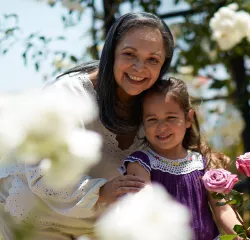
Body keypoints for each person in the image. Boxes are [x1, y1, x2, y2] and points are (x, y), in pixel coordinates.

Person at [0, 12, 174, 239]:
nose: (140, 67)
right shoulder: (68, 95)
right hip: (33, 219)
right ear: (111, 53)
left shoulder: (156, 107)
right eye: (129, 54)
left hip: (93, 229)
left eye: (153, 59)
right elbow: (41, 174)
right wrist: (101, 191)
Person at [122, 78, 250, 240]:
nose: (162, 127)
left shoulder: (202, 163)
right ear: (142, 123)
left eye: (171, 118)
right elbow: (145, 207)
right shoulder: (140, 163)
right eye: (152, 119)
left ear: (188, 119)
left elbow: (222, 209)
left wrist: (243, 235)